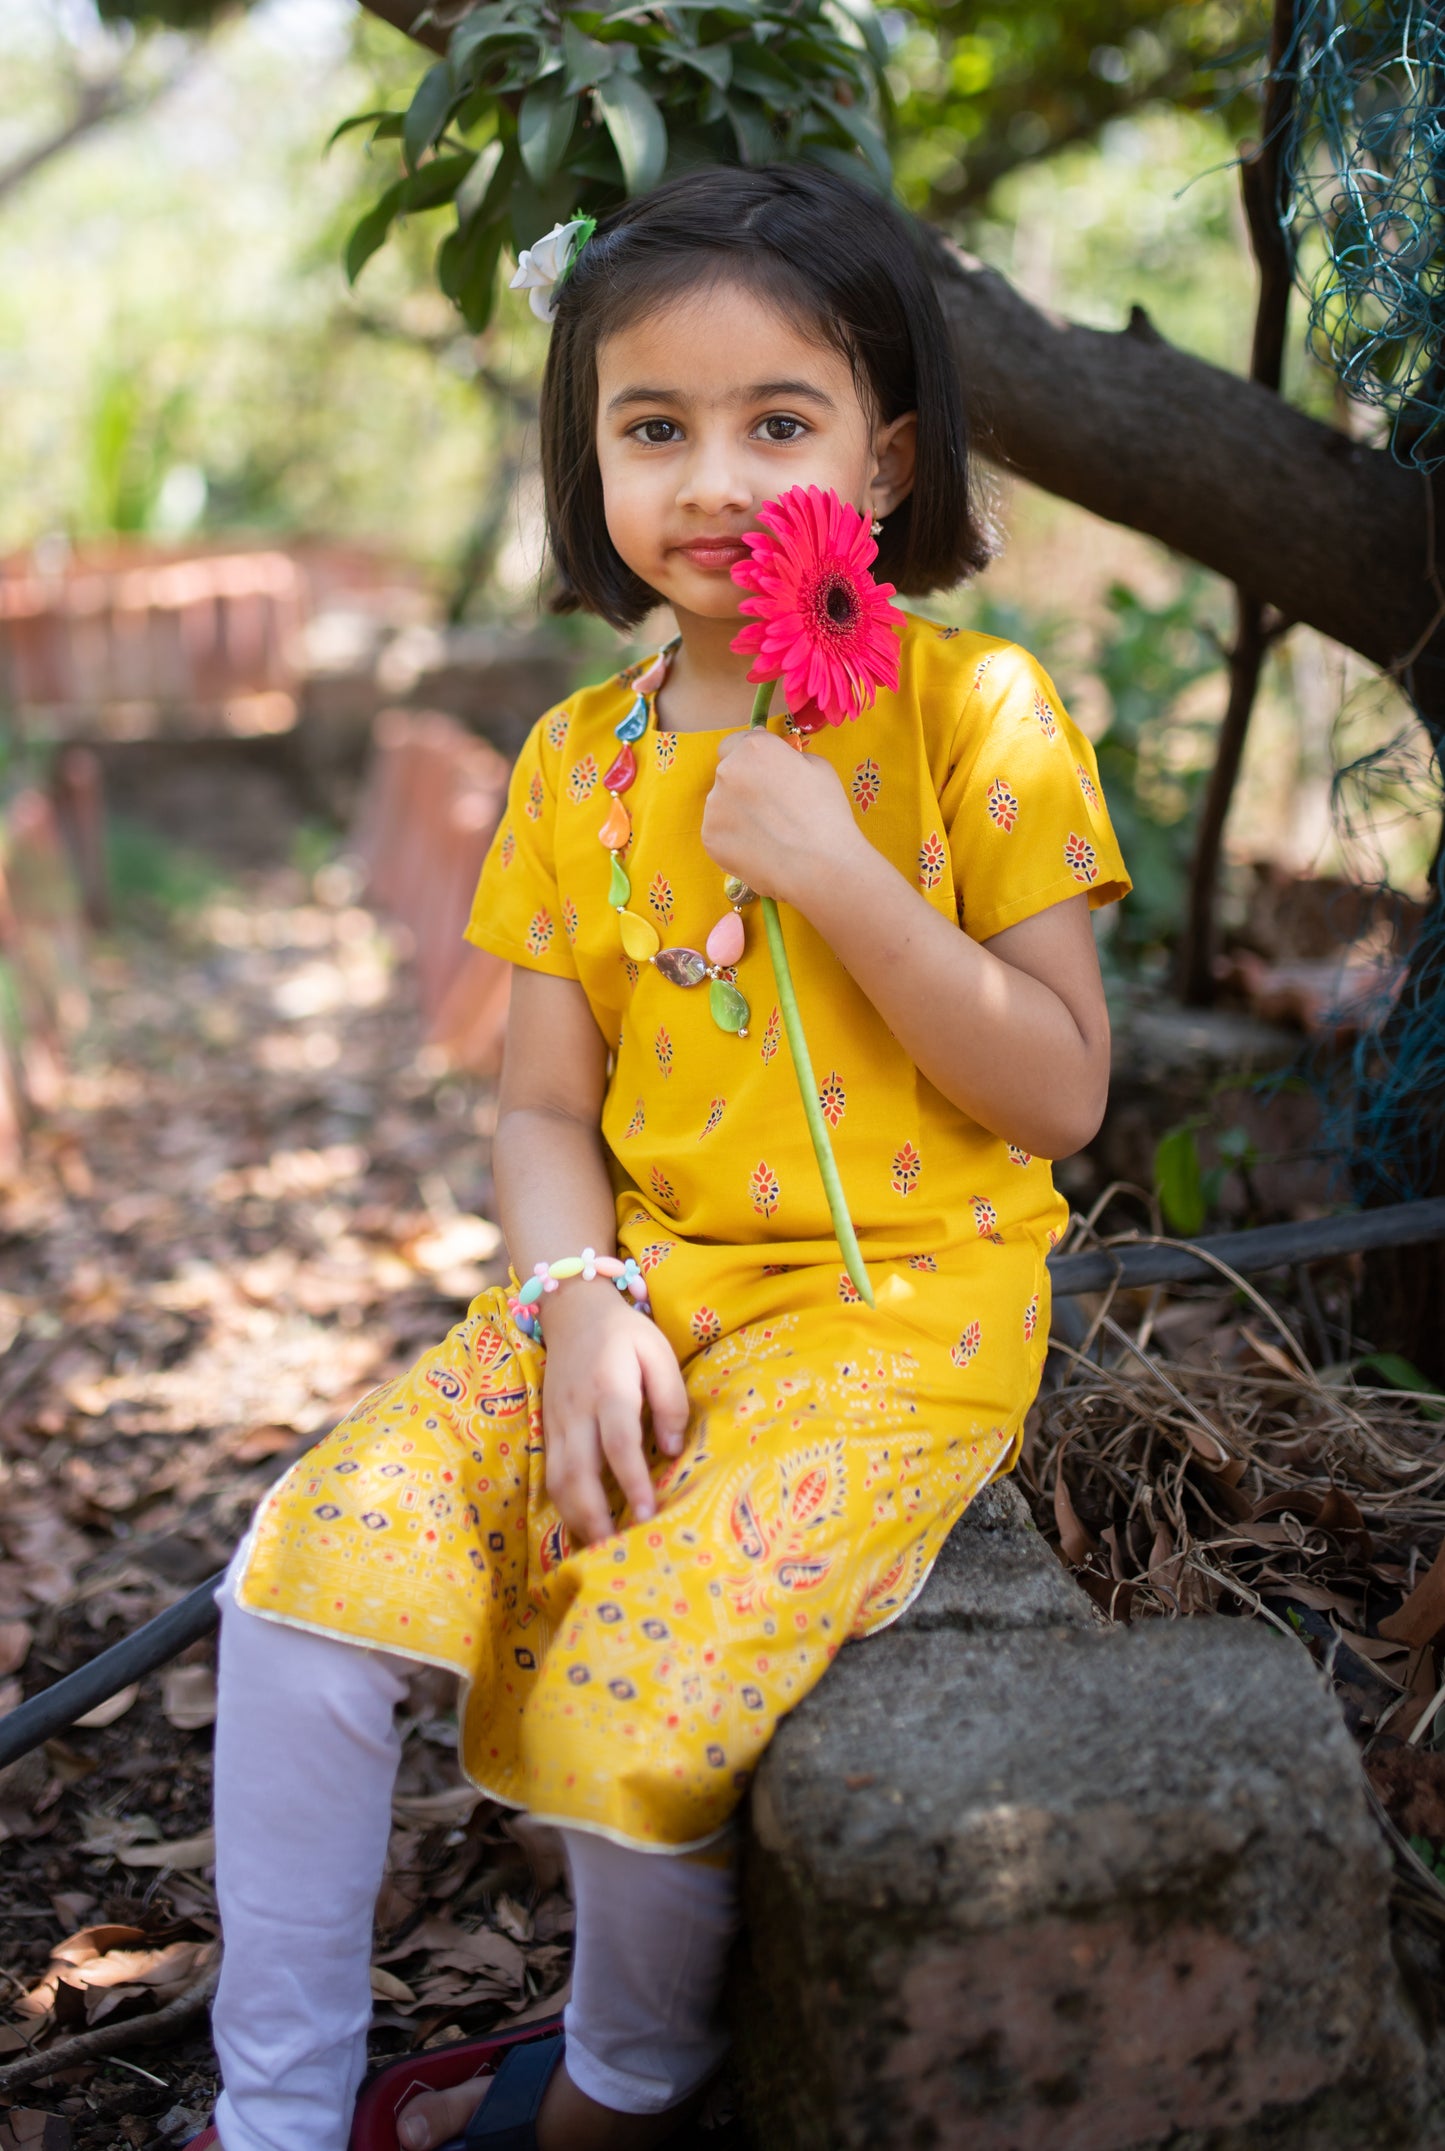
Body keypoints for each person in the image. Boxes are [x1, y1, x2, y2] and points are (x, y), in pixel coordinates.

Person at [202, 160, 1130, 2151]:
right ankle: (276, 2110)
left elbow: (1063, 1088)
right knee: (296, 1585)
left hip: (894, 1315)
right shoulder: (577, 762)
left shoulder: (980, 712)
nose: (712, 479)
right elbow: (543, 1104)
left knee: (634, 1698)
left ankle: (617, 2092)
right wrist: (577, 1297)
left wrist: (844, 874)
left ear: (882, 461)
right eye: (654, 426)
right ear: (590, 458)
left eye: (775, 423)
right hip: (642, 1283)